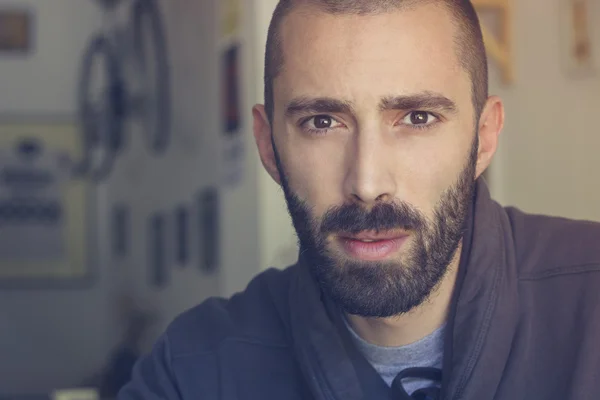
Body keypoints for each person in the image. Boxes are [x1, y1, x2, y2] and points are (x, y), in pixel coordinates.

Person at [119, 1, 600, 399]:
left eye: (417, 118)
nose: (367, 183)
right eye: (322, 122)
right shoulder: (194, 370)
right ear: (267, 145)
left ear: (485, 136)